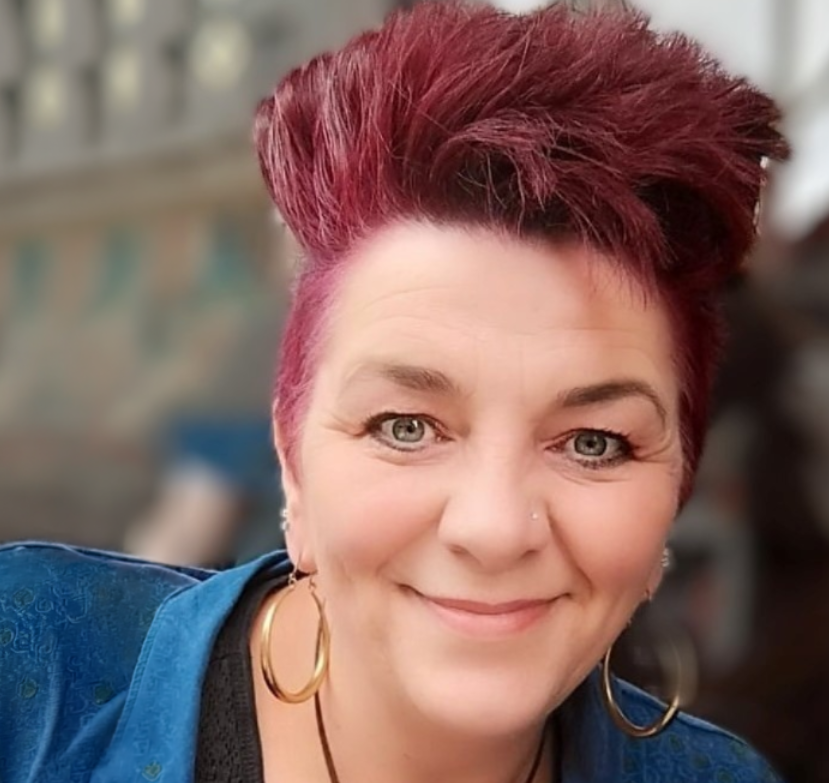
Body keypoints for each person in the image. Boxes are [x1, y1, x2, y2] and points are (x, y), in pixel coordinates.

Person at [0, 3, 786, 781]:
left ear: (675, 489)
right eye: (406, 425)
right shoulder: (30, 681)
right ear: (292, 462)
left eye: (593, 442)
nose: (493, 528)